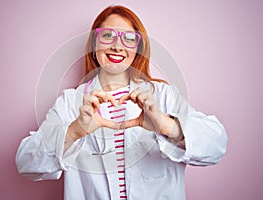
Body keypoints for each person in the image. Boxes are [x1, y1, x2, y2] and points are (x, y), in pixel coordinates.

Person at [15, 5, 228, 200]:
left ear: (138, 47)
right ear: (93, 44)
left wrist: (163, 124)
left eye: (128, 38)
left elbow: (216, 144)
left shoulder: (163, 95)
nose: (117, 46)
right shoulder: (71, 102)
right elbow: (26, 163)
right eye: (107, 35)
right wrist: (74, 131)